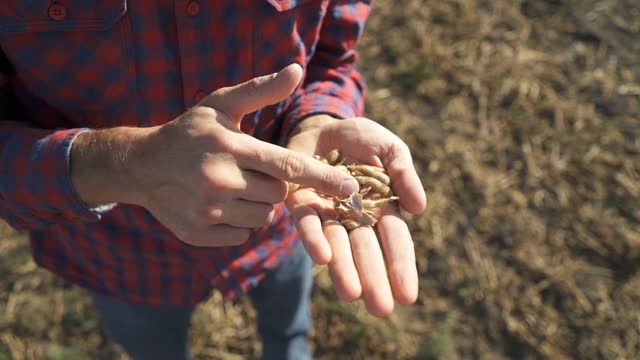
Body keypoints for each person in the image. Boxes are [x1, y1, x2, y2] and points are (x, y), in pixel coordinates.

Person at [0, 1, 426, 359]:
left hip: (283, 224)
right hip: (121, 258)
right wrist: (120, 166)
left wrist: (320, 115)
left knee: (290, 329)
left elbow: (331, 52)